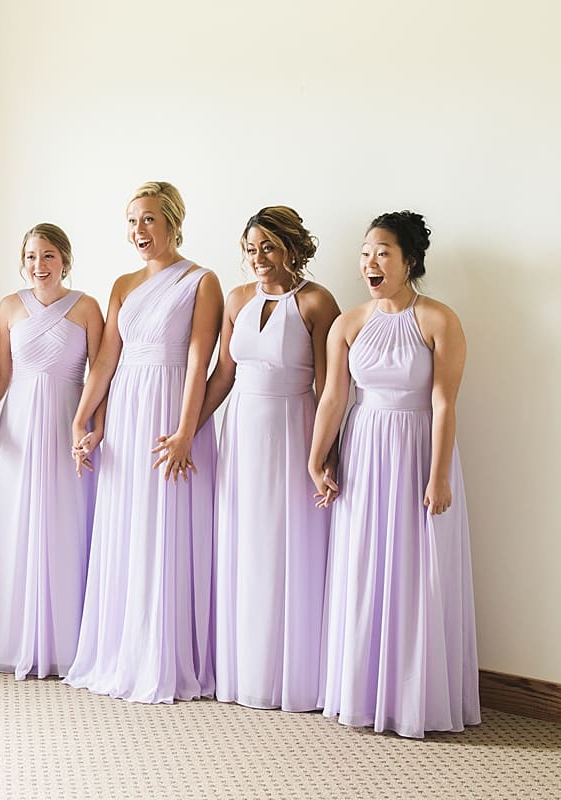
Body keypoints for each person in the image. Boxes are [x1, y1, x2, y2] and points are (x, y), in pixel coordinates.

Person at [308, 210, 480, 738]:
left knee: (417, 568)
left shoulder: (438, 319)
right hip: (364, 451)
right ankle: (360, 690)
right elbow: (335, 396)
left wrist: (439, 475)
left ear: (409, 260)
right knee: (363, 565)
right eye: (365, 254)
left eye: (382, 252)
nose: (370, 263)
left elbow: (445, 404)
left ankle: (415, 698)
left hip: (416, 450)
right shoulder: (348, 324)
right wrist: (318, 459)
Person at [64, 181, 222, 703]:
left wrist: (185, 431)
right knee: (127, 523)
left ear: (173, 220)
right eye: (132, 221)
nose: (139, 231)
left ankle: (166, 656)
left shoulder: (202, 281)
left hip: (169, 411)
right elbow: (106, 360)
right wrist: (84, 421)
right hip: (128, 410)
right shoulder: (123, 283)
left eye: (149, 219)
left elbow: (201, 361)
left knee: (167, 526)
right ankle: (121, 651)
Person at [199, 206, 340, 712]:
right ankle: (244, 670)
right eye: (250, 249)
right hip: (242, 431)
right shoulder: (237, 299)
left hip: (292, 427)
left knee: (289, 544)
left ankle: (294, 677)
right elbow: (222, 376)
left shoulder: (317, 302)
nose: (257, 258)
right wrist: (186, 430)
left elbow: (330, 387)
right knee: (245, 543)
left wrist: (326, 454)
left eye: (268, 248)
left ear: (291, 248)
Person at [0, 223, 104, 679]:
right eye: (31, 256)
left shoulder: (87, 307)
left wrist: (89, 426)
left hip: (68, 416)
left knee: (66, 520)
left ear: (64, 259)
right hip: (21, 424)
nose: (38, 265)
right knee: (16, 520)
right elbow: (3, 372)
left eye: (48, 256)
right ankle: (11, 640)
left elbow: (99, 375)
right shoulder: (9, 306)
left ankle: (65, 643)